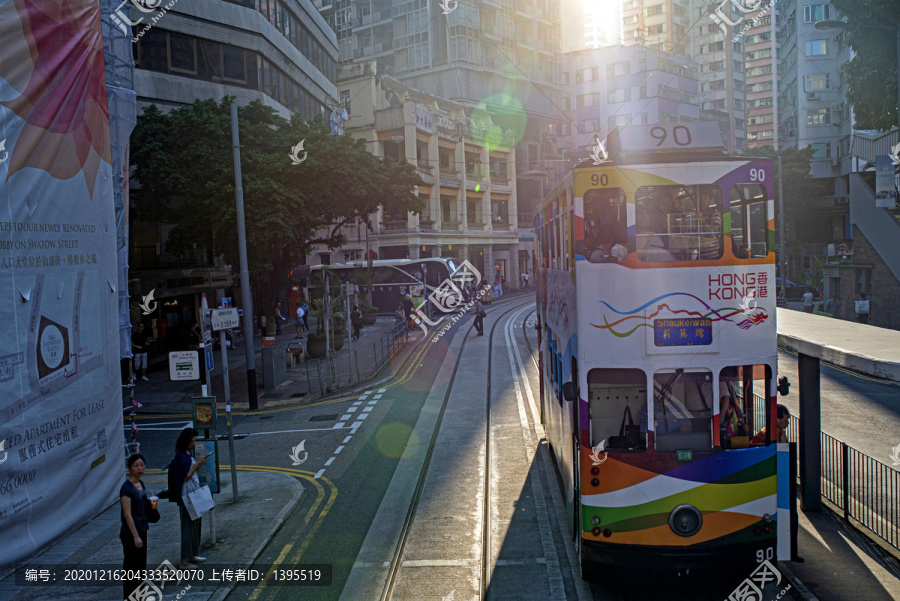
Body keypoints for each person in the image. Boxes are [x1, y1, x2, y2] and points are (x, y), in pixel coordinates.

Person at [168, 428, 209, 568]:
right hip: (186, 496)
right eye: (192, 441)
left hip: (194, 493)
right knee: (187, 526)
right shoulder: (180, 456)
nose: (193, 443)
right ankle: (184, 560)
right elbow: (184, 477)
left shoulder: (187, 452)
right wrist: (197, 465)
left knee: (196, 524)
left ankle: (192, 554)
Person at [120, 453, 151, 600]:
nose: (140, 468)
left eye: (142, 465)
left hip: (142, 529)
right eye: (136, 466)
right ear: (129, 468)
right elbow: (127, 514)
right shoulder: (126, 489)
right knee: (132, 567)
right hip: (131, 533)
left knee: (141, 567)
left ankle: (140, 596)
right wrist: (135, 536)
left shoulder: (140, 484)